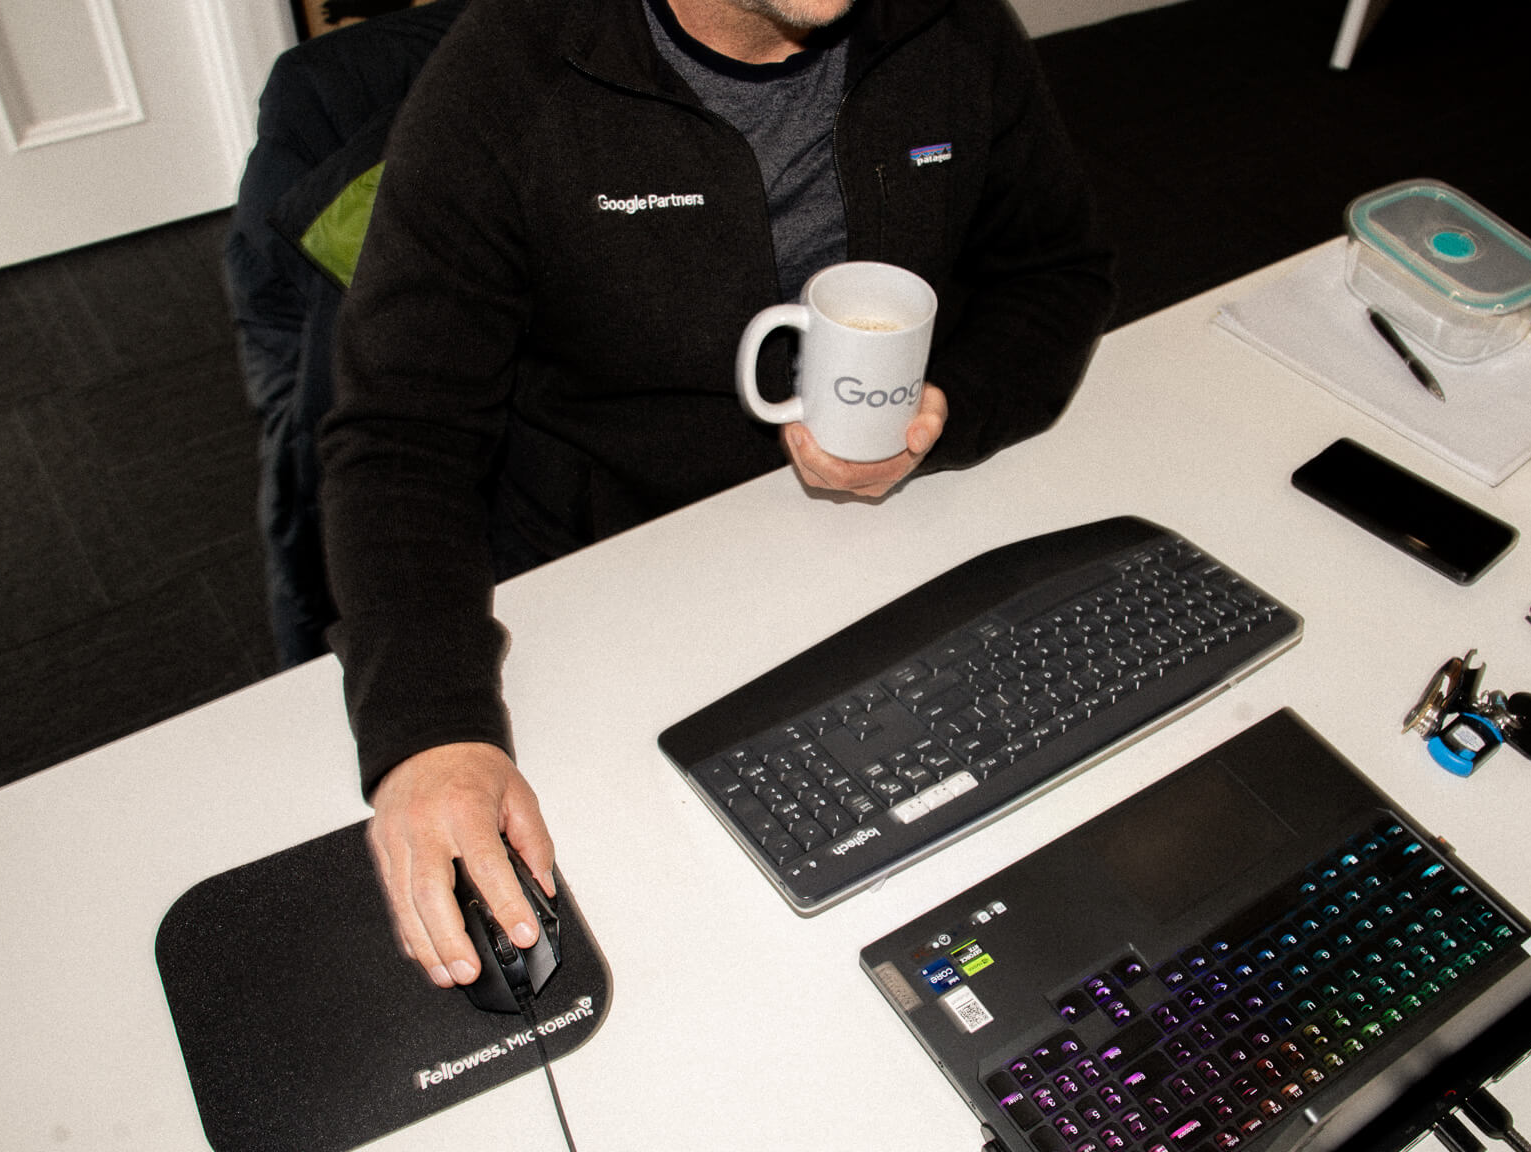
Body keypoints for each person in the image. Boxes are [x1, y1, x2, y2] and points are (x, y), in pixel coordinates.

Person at [319, 0, 1116, 992]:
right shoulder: (504, 77)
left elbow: (1051, 270)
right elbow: (400, 437)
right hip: (618, 582)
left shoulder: (953, 28)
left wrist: (947, 409)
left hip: (884, 545)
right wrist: (429, 732)